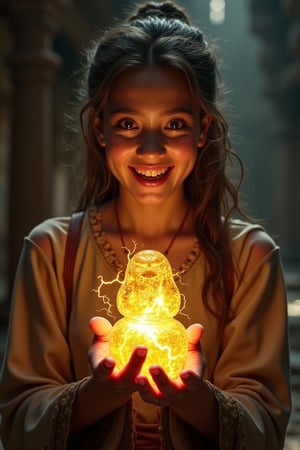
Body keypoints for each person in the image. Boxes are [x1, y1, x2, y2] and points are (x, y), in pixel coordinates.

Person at [0, 1, 291, 449]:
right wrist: (98, 392)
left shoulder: (249, 257)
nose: (151, 149)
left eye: (174, 124)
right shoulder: (52, 252)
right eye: (128, 124)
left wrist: (194, 399)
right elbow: (18, 423)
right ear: (100, 130)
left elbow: (266, 428)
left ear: (202, 128)